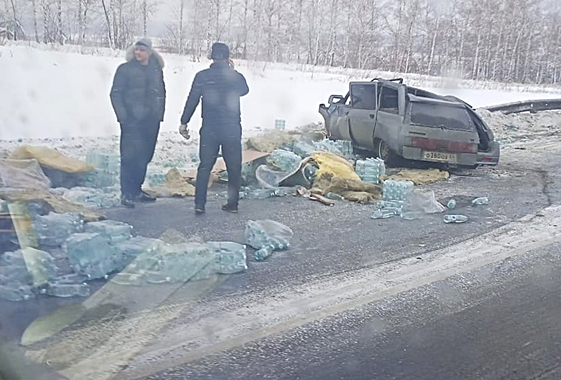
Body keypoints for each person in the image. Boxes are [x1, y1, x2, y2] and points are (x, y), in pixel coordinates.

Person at [179, 42, 249, 214]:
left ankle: (199, 204)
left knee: (205, 166)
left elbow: (192, 99)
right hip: (231, 127)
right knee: (233, 166)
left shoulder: (202, 76)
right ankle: (232, 204)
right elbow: (244, 90)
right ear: (228, 57)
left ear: (211, 57)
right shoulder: (234, 77)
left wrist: (184, 121)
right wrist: (232, 71)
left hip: (210, 127)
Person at [110, 38, 166, 208]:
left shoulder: (156, 70)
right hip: (131, 121)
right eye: (137, 50)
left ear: (149, 52)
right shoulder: (125, 70)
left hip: (151, 121)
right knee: (129, 157)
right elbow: (115, 94)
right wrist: (123, 117)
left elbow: (162, 94)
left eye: (142, 50)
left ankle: (137, 190)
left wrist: (159, 115)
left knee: (145, 156)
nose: (138, 53)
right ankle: (126, 193)